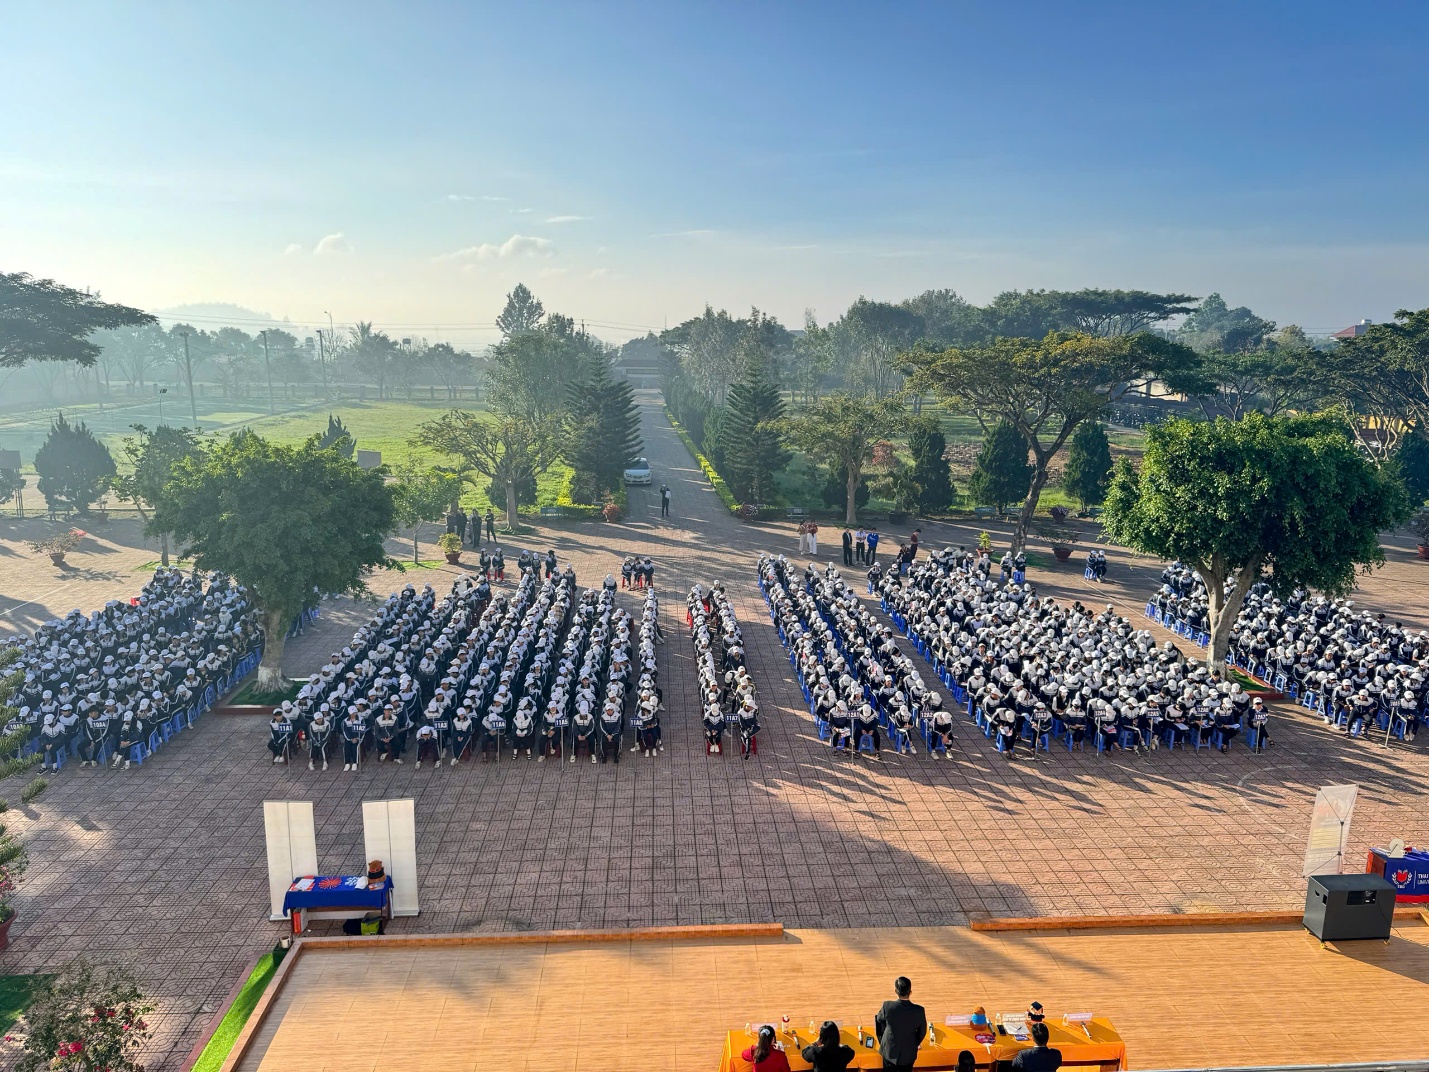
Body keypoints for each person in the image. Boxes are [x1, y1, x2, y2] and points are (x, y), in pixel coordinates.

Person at [875, 976, 926, 1071]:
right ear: (910, 992)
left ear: (896, 991)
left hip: (889, 1052)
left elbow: (879, 1019)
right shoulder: (919, 1010)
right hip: (908, 1054)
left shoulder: (887, 1006)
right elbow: (922, 1032)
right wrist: (913, 1043)